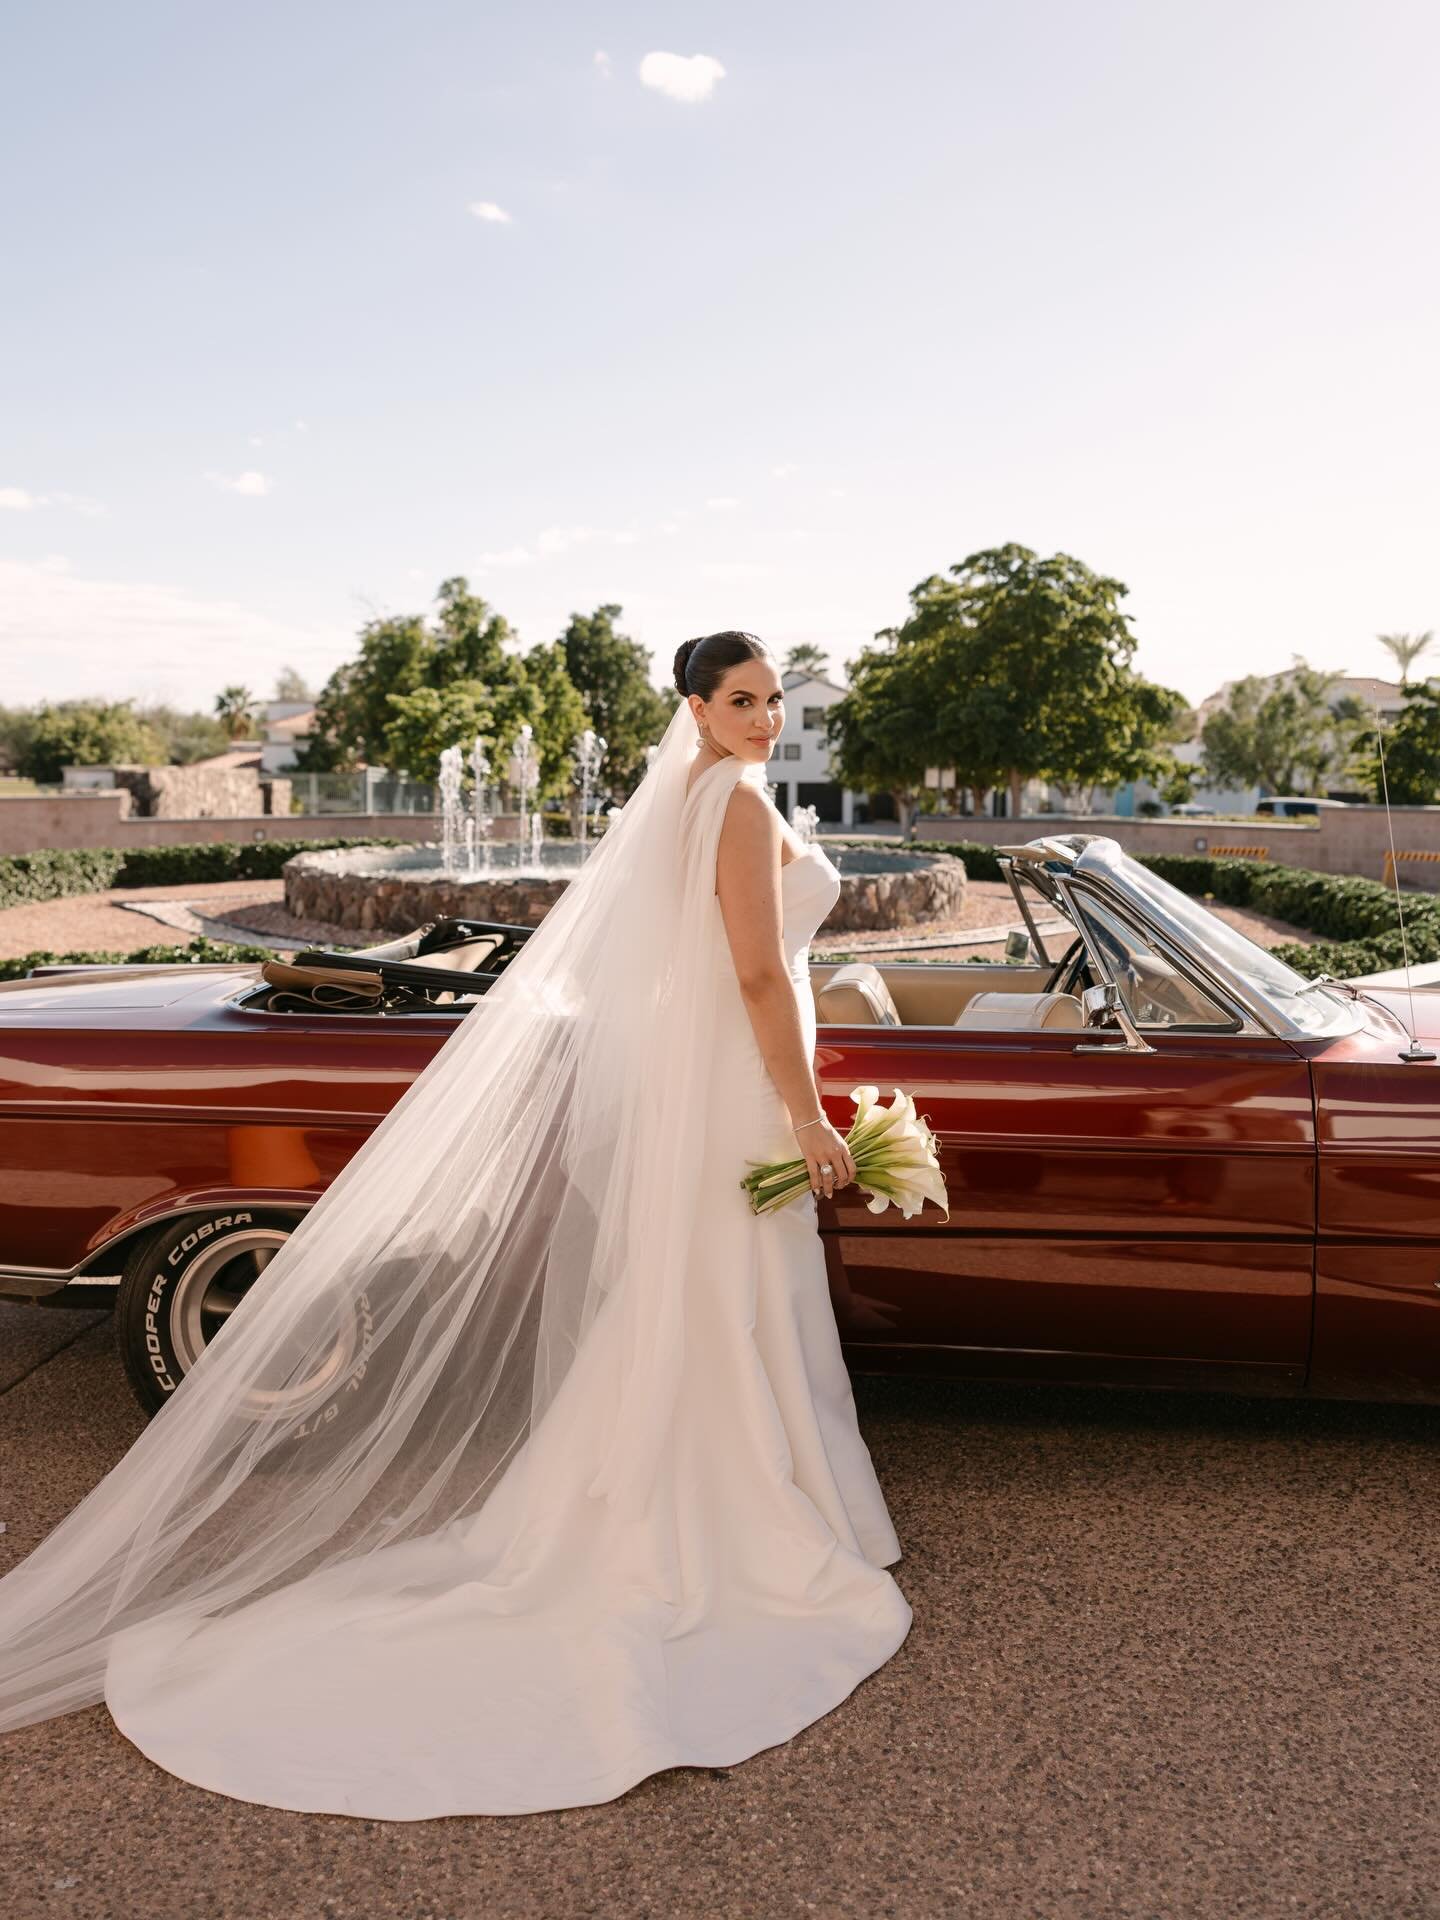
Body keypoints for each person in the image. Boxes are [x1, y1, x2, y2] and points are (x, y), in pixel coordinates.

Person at [0, 629, 911, 1819]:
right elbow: (749, 975)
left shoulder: (691, 793)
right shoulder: (735, 801)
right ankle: (749, 1512)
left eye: (775, 699)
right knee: (732, 1285)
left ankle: (715, 1483)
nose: (765, 718)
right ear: (693, 707)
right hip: (745, 1084)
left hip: (718, 1082)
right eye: (741, 699)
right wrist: (808, 1116)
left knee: (704, 1288)